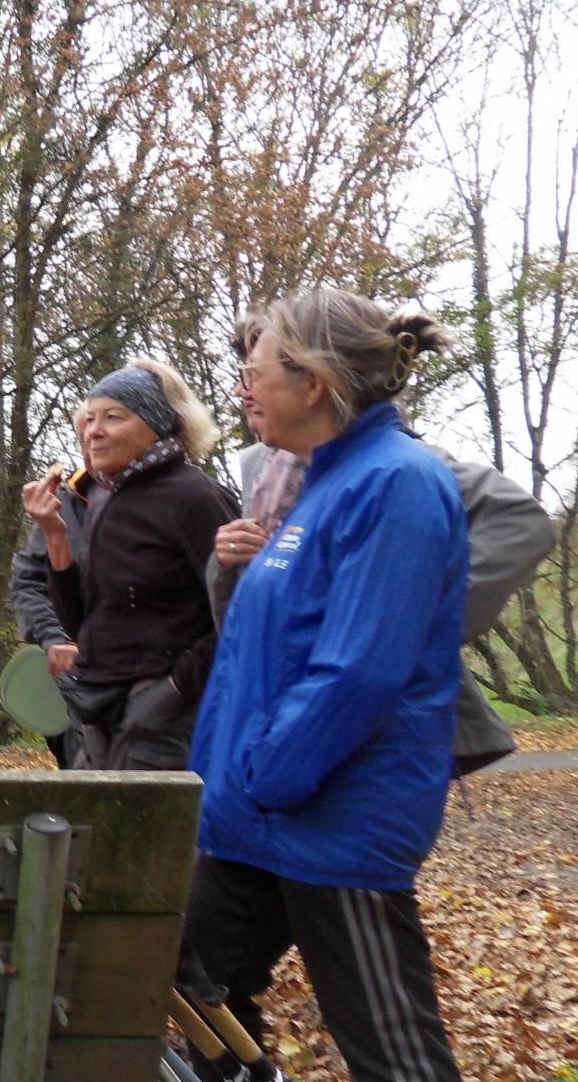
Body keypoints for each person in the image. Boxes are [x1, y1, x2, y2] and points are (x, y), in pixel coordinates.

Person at [185, 290, 496, 1082]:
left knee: (397, 1065)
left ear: (314, 384)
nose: (243, 382)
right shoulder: (317, 485)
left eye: (260, 366)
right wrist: (229, 786)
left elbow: (358, 671)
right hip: (252, 821)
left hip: (333, 827)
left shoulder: (397, 485)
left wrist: (266, 773)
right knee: (193, 993)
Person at [210, 313, 553, 776]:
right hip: (281, 719)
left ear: (311, 383)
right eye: (243, 373)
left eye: (254, 374)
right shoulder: (261, 471)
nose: (242, 390)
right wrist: (227, 562)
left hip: (372, 733)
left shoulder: (395, 466)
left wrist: (408, 622)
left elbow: (520, 520)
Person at [21, 360, 237, 770]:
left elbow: (238, 614)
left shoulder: (195, 496)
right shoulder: (110, 499)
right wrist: (55, 535)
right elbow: (82, 623)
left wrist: (174, 689)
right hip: (99, 713)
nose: (93, 431)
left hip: (166, 719)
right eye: (89, 419)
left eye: (113, 417)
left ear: (155, 423)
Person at [7, 402, 97, 767]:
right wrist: (55, 638)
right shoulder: (66, 502)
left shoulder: (180, 496)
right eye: (83, 434)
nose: (93, 440)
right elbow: (28, 583)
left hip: (151, 699)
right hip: (74, 691)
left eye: (107, 423)